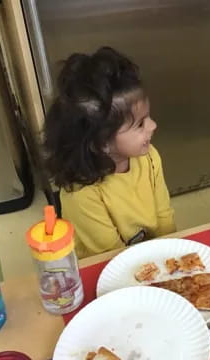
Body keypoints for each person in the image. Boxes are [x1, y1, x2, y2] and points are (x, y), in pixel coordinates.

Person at [43, 47, 176, 258]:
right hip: (106, 265)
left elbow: (164, 216)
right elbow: (111, 255)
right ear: (101, 142)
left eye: (148, 117)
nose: (153, 126)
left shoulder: (149, 157)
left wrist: (172, 257)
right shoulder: (82, 194)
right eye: (140, 124)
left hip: (148, 257)